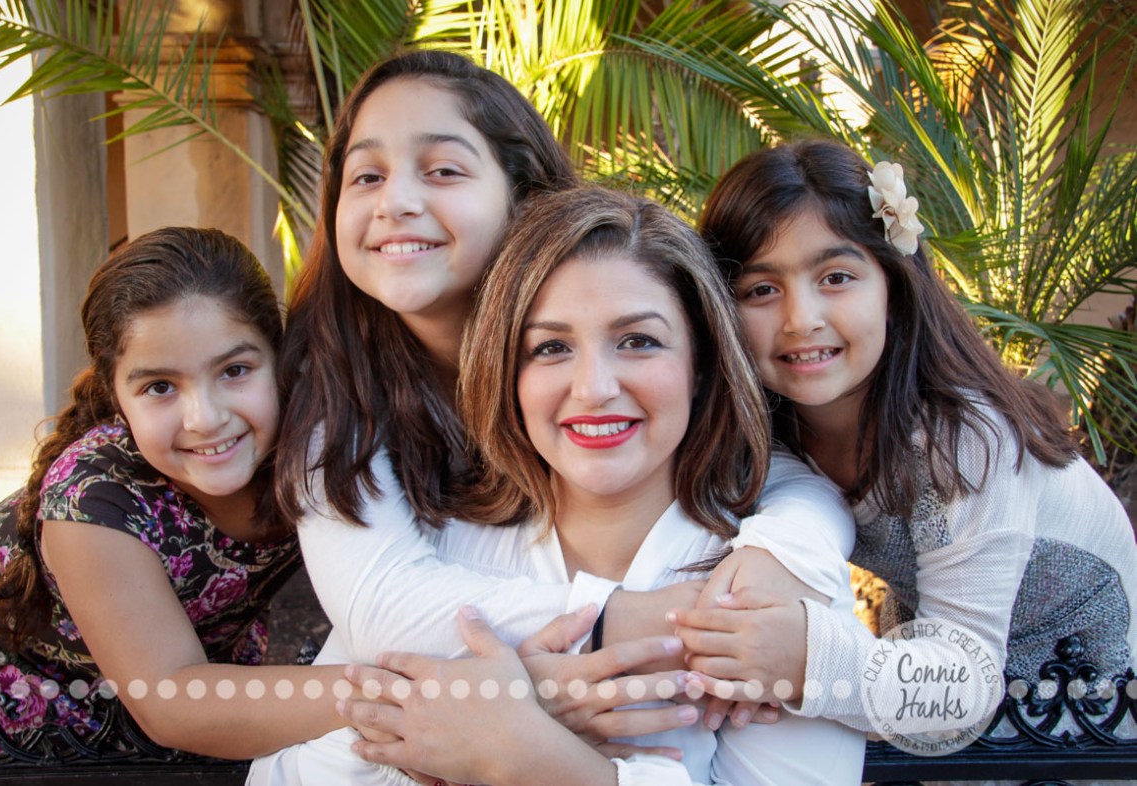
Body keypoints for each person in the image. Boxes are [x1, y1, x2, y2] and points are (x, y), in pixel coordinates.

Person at [266, 46, 854, 722]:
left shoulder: (623, 284)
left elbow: (759, 458)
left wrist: (789, 547)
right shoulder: (335, 392)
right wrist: (645, 623)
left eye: (444, 170)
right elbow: (382, 604)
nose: (396, 201)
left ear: (527, 198)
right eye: (365, 175)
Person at [334, 186, 867, 785]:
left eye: (638, 341)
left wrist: (530, 757)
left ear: (701, 365)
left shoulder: (774, 586)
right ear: (507, 371)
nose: (592, 387)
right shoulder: (439, 546)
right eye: (551, 347)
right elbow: (321, 763)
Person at [681, 138, 1137, 737]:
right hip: (935, 680)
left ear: (893, 287)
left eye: (836, 277)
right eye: (761, 290)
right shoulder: (769, 430)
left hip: (1088, 718)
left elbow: (967, 687)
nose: (801, 318)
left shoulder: (966, 441)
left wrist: (800, 659)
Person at [0, 228, 353, 758]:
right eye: (159, 387)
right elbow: (171, 702)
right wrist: (403, 692)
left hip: (201, 676)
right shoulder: (91, 503)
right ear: (116, 396)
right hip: (44, 723)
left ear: (280, 361)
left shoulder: (309, 441)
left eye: (235, 370)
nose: (206, 419)